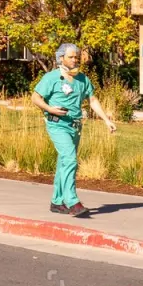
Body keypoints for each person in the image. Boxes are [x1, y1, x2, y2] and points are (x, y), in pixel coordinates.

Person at [31, 43, 116, 217]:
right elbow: (35, 97)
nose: (75, 59)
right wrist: (49, 109)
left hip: (75, 126)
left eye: (76, 57)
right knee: (70, 159)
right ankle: (71, 201)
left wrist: (107, 120)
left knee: (64, 162)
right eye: (71, 57)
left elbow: (92, 100)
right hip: (57, 124)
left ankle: (56, 201)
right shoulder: (51, 78)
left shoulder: (82, 79)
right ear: (60, 58)